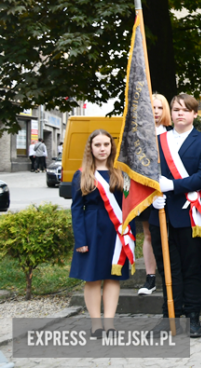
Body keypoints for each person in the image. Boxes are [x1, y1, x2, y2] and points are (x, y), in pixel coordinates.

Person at [149, 93, 201, 338]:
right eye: (176, 109)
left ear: (194, 114)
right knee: (168, 270)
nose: (180, 114)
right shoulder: (157, 141)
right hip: (162, 213)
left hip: (190, 216)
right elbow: (147, 175)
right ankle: (170, 316)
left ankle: (193, 316)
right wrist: (153, 194)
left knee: (191, 269)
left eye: (185, 110)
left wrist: (172, 186)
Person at [69, 129, 135, 337]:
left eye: (106, 144)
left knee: (112, 277)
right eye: (97, 145)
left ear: (111, 147)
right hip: (91, 230)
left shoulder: (121, 173)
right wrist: (80, 238)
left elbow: (129, 203)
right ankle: (96, 324)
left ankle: (110, 323)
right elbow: (77, 208)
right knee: (93, 278)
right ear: (90, 148)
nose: (102, 149)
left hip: (116, 232)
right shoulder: (82, 174)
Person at [136, 93, 172, 296]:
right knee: (149, 234)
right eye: (152, 107)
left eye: (160, 108)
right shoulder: (139, 136)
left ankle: (169, 274)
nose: (156, 112)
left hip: (168, 192)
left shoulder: (171, 135)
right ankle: (150, 277)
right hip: (147, 193)